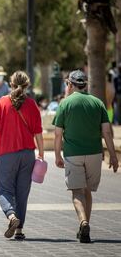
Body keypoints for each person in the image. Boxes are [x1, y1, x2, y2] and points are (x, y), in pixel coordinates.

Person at [53, 70, 118, 243]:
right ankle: (85, 227)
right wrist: (113, 155)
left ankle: (82, 221)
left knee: (76, 192)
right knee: (88, 190)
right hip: (95, 154)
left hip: (73, 154)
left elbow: (58, 134)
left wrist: (57, 155)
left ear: (71, 85)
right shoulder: (98, 103)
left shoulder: (65, 104)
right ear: (85, 84)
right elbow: (106, 132)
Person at [0, 71, 44, 240]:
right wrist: (40, 153)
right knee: (22, 193)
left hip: (6, 154)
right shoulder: (32, 105)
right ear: (27, 86)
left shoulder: (3, 102)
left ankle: (12, 217)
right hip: (27, 155)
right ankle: (19, 230)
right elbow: (38, 133)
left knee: (4, 190)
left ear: (10, 84)